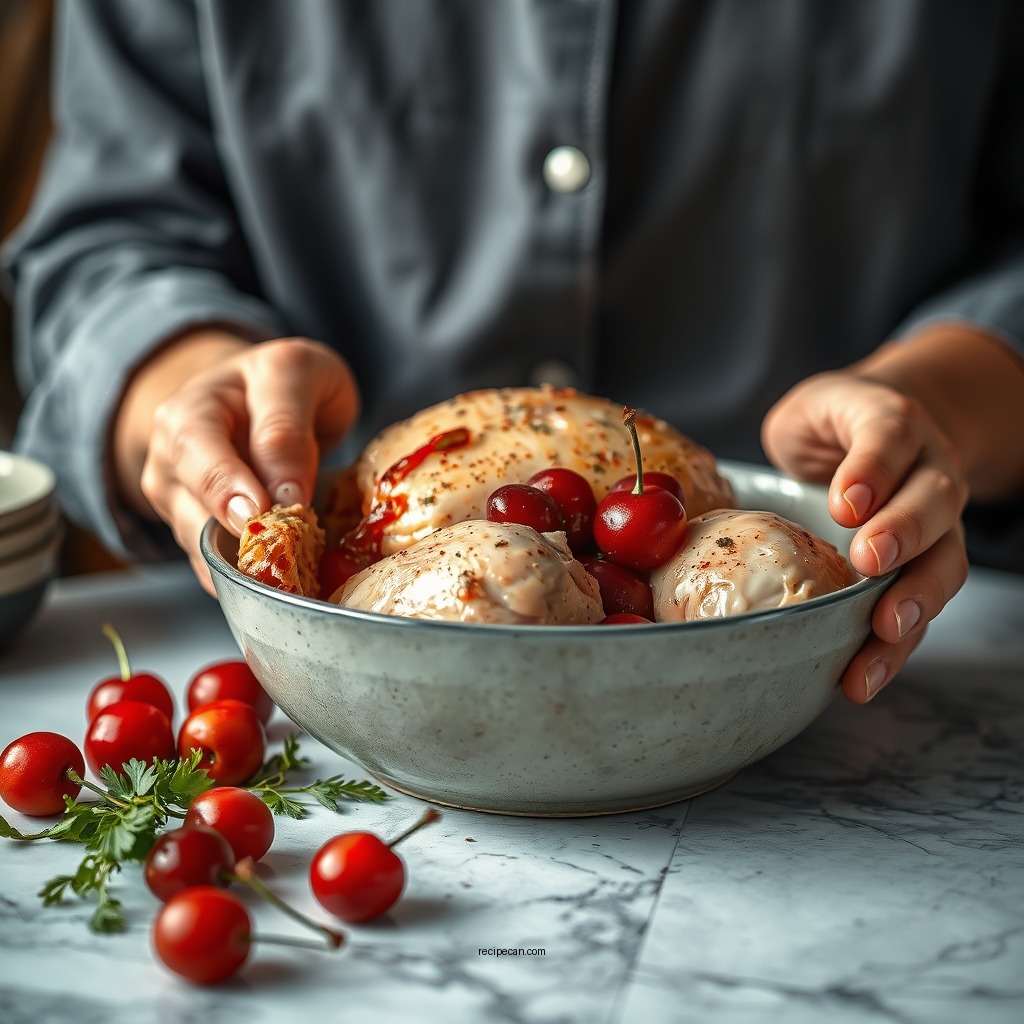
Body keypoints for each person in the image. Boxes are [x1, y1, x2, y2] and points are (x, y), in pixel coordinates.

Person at [4, 1, 1024, 706]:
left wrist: (936, 400)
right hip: (343, 659)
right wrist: (197, 388)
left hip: (835, 644)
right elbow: (110, 241)